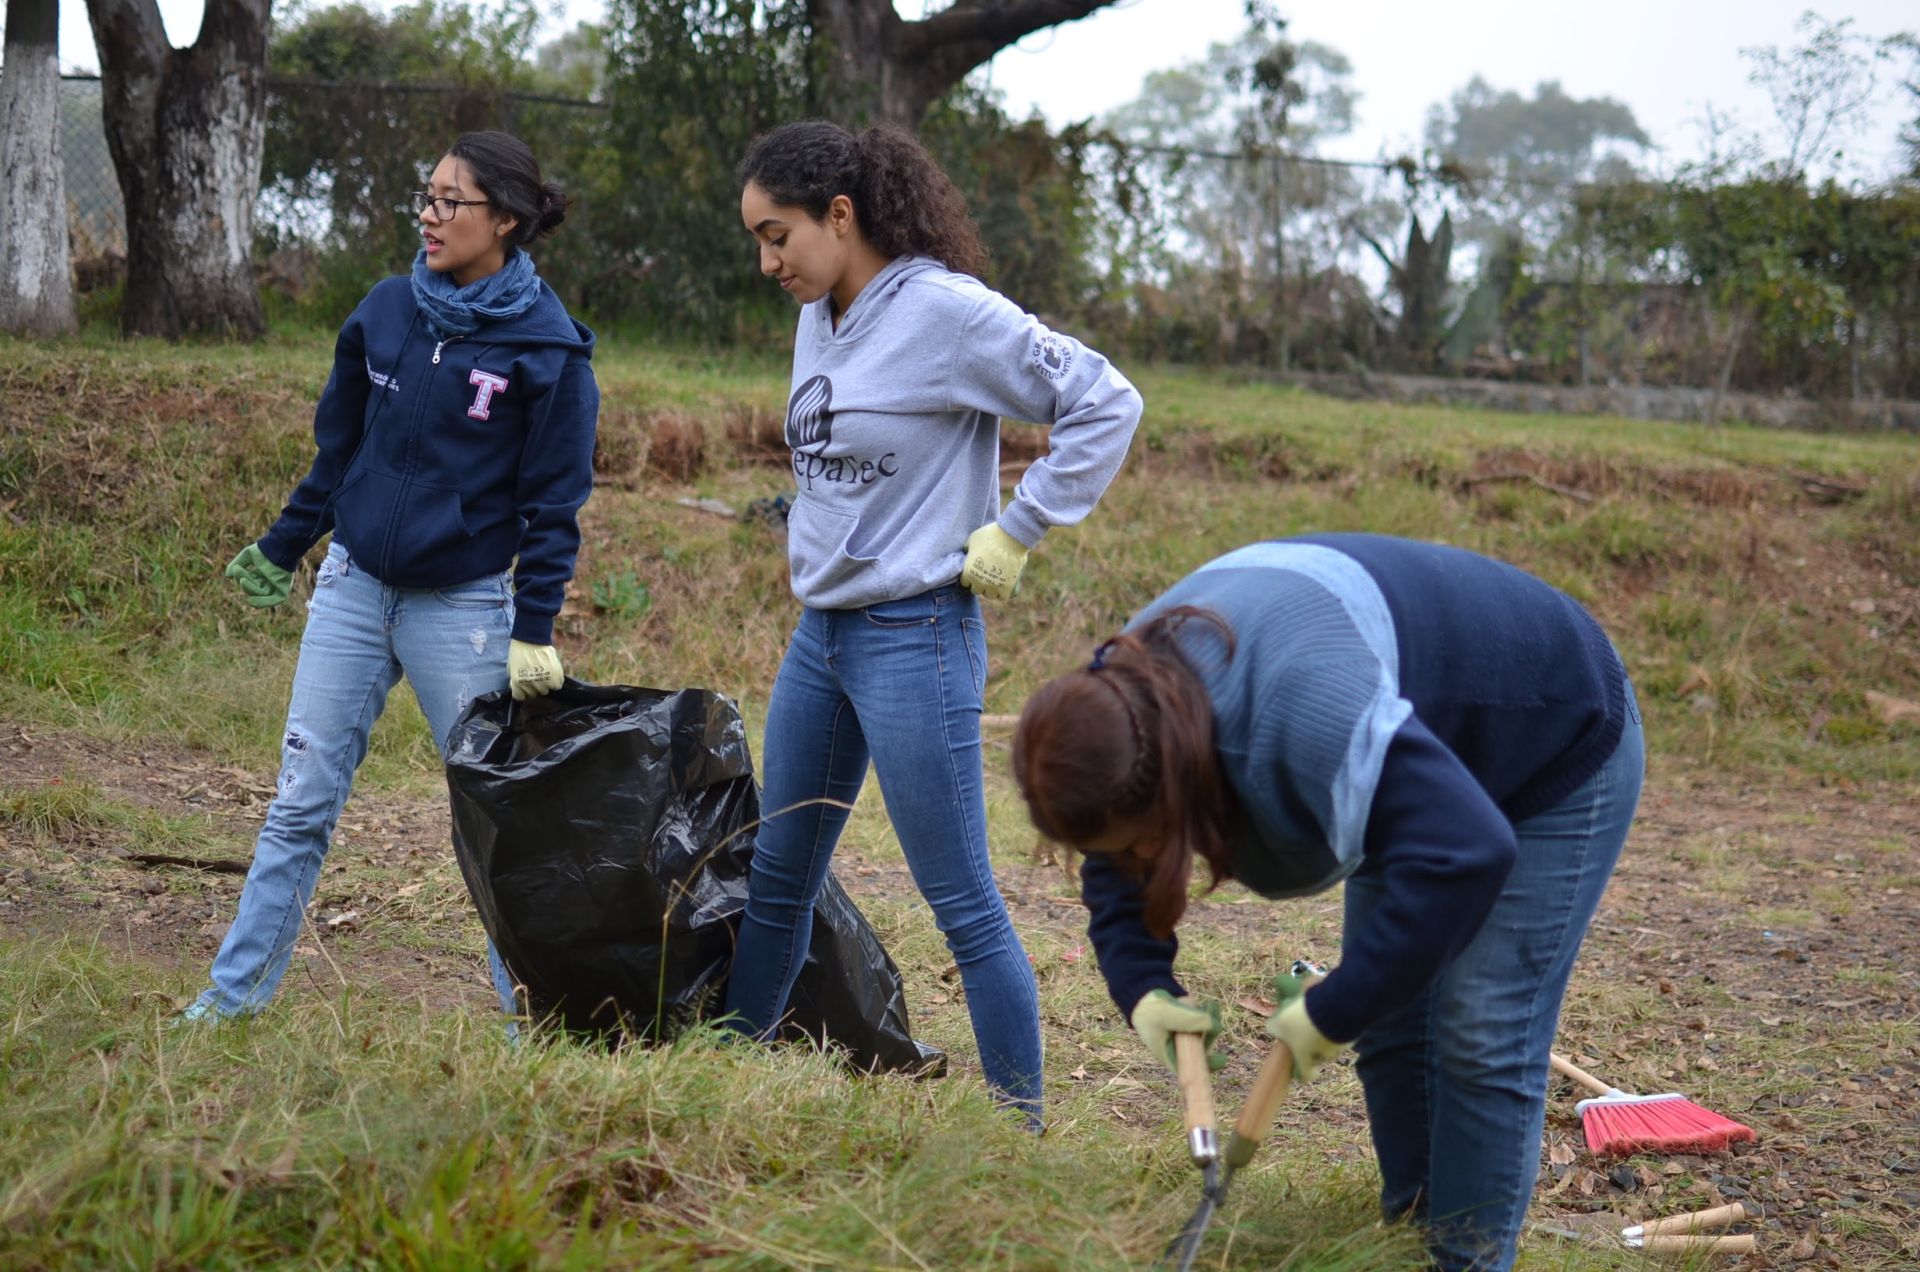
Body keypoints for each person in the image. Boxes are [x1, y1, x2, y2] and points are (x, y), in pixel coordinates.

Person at [1011, 534, 1644, 1270]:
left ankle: (1467, 1260)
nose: (1137, 862)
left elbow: (1467, 852)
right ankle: (1414, 1241)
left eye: (1146, 840)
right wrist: (1144, 988)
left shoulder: (1302, 713)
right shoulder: (1114, 710)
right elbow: (1115, 854)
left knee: (1481, 1028)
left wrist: (1331, 1009)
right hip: (1418, 739)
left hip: (1555, 727)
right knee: (1396, 1023)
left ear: (1178, 781)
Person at [720, 120, 1143, 1127]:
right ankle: (717, 1078)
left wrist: (1021, 524)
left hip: (917, 636)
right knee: (780, 873)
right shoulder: (820, 311)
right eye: (756, 240)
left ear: (841, 214)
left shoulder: (949, 315)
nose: (766, 261)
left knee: (959, 899)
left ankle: (1017, 1128)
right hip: (822, 636)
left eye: (778, 235)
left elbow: (1106, 401)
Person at [181, 131, 599, 1023]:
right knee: (299, 805)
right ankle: (229, 1005)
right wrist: (284, 544)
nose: (430, 215)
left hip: (466, 611)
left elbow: (552, 508)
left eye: (453, 201)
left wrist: (534, 627)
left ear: (507, 221)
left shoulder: (549, 352)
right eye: (428, 194)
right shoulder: (383, 311)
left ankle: (532, 1031)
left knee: (497, 827)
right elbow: (340, 453)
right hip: (354, 589)